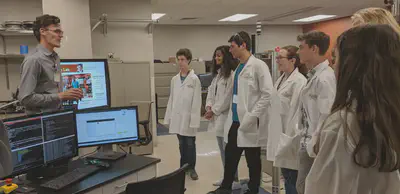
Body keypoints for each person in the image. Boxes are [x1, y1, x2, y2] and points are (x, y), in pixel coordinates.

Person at [305, 24, 400, 194]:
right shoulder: (389, 115)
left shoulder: (344, 126)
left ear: (352, 66)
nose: (333, 66)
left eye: (336, 59)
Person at [208, 31, 282, 194]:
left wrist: (252, 116)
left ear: (243, 45)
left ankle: (253, 189)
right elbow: (231, 95)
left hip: (250, 122)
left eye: (233, 47)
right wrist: (214, 109)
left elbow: (267, 93)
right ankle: (225, 187)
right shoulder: (239, 68)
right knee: (231, 156)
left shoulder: (258, 66)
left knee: (252, 159)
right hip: (235, 121)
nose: (230, 51)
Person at [296, 31, 336, 194]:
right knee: (303, 187)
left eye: (301, 47)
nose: (299, 52)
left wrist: (315, 145)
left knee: (306, 188)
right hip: (308, 141)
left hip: (315, 145)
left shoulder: (325, 78)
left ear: (314, 49)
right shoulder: (314, 75)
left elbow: (327, 116)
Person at [18, 14, 83, 115]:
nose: (61, 35)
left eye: (61, 32)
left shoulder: (55, 57)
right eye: (57, 31)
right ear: (42, 31)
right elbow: (25, 98)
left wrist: (68, 94)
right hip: (40, 121)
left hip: (56, 115)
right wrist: (60, 96)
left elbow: (52, 87)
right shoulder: (34, 59)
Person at [205, 46, 241, 190]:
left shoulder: (232, 75)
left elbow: (227, 98)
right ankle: (228, 177)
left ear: (226, 57)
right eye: (215, 56)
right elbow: (210, 92)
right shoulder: (218, 75)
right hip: (218, 117)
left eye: (219, 56)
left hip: (227, 118)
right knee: (222, 150)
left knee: (229, 151)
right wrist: (208, 106)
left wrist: (213, 110)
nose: (216, 58)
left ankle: (234, 179)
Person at [273, 46, 307, 194]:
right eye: (277, 57)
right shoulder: (281, 79)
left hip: (291, 136)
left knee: (292, 177)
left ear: (292, 60)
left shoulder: (299, 81)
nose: (277, 60)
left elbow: (296, 112)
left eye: (280, 58)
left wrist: (289, 138)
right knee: (287, 175)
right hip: (280, 132)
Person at [164, 48, 202, 180]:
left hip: (189, 118)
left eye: (183, 60)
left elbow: (197, 101)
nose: (180, 62)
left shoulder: (194, 79)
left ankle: (192, 168)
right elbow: (172, 99)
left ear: (189, 61)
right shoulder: (174, 79)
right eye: (178, 59)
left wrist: (194, 120)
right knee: (181, 144)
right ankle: (183, 167)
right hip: (177, 117)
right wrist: (168, 117)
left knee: (190, 144)